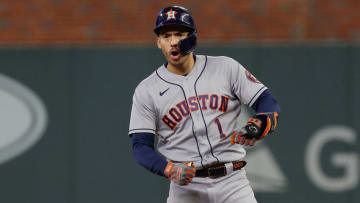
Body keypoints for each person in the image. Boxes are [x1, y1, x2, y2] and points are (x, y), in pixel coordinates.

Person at [129, 5, 280, 203]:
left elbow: (266, 101)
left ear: (193, 37)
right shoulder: (147, 89)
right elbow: (140, 146)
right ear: (158, 42)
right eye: (166, 36)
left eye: (180, 34)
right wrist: (169, 169)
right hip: (185, 188)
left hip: (232, 182)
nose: (173, 42)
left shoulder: (225, 68)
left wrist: (261, 122)